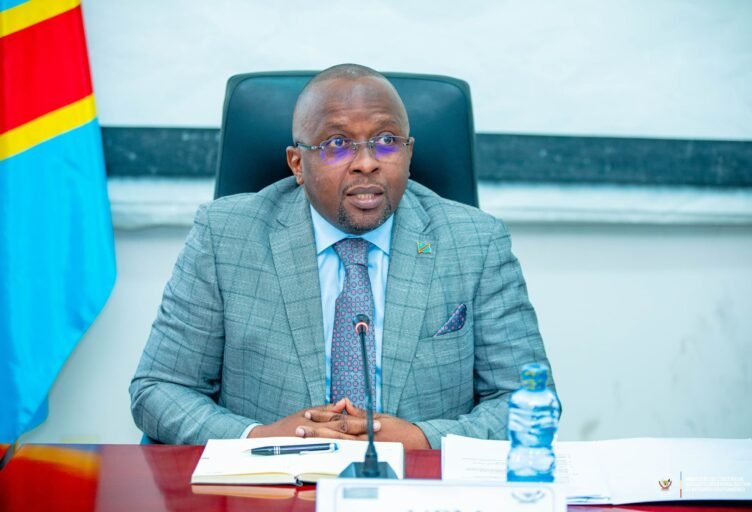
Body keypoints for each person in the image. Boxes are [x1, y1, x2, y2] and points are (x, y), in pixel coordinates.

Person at [129, 63, 553, 449]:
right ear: (297, 164)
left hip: (416, 486)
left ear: (409, 154)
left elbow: (528, 398)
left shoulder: (475, 242)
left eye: (386, 141)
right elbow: (159, 388)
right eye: (337, 143)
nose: (366, 163)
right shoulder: (225, 236)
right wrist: (258, 438)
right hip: (269, 487)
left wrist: (424, 439)